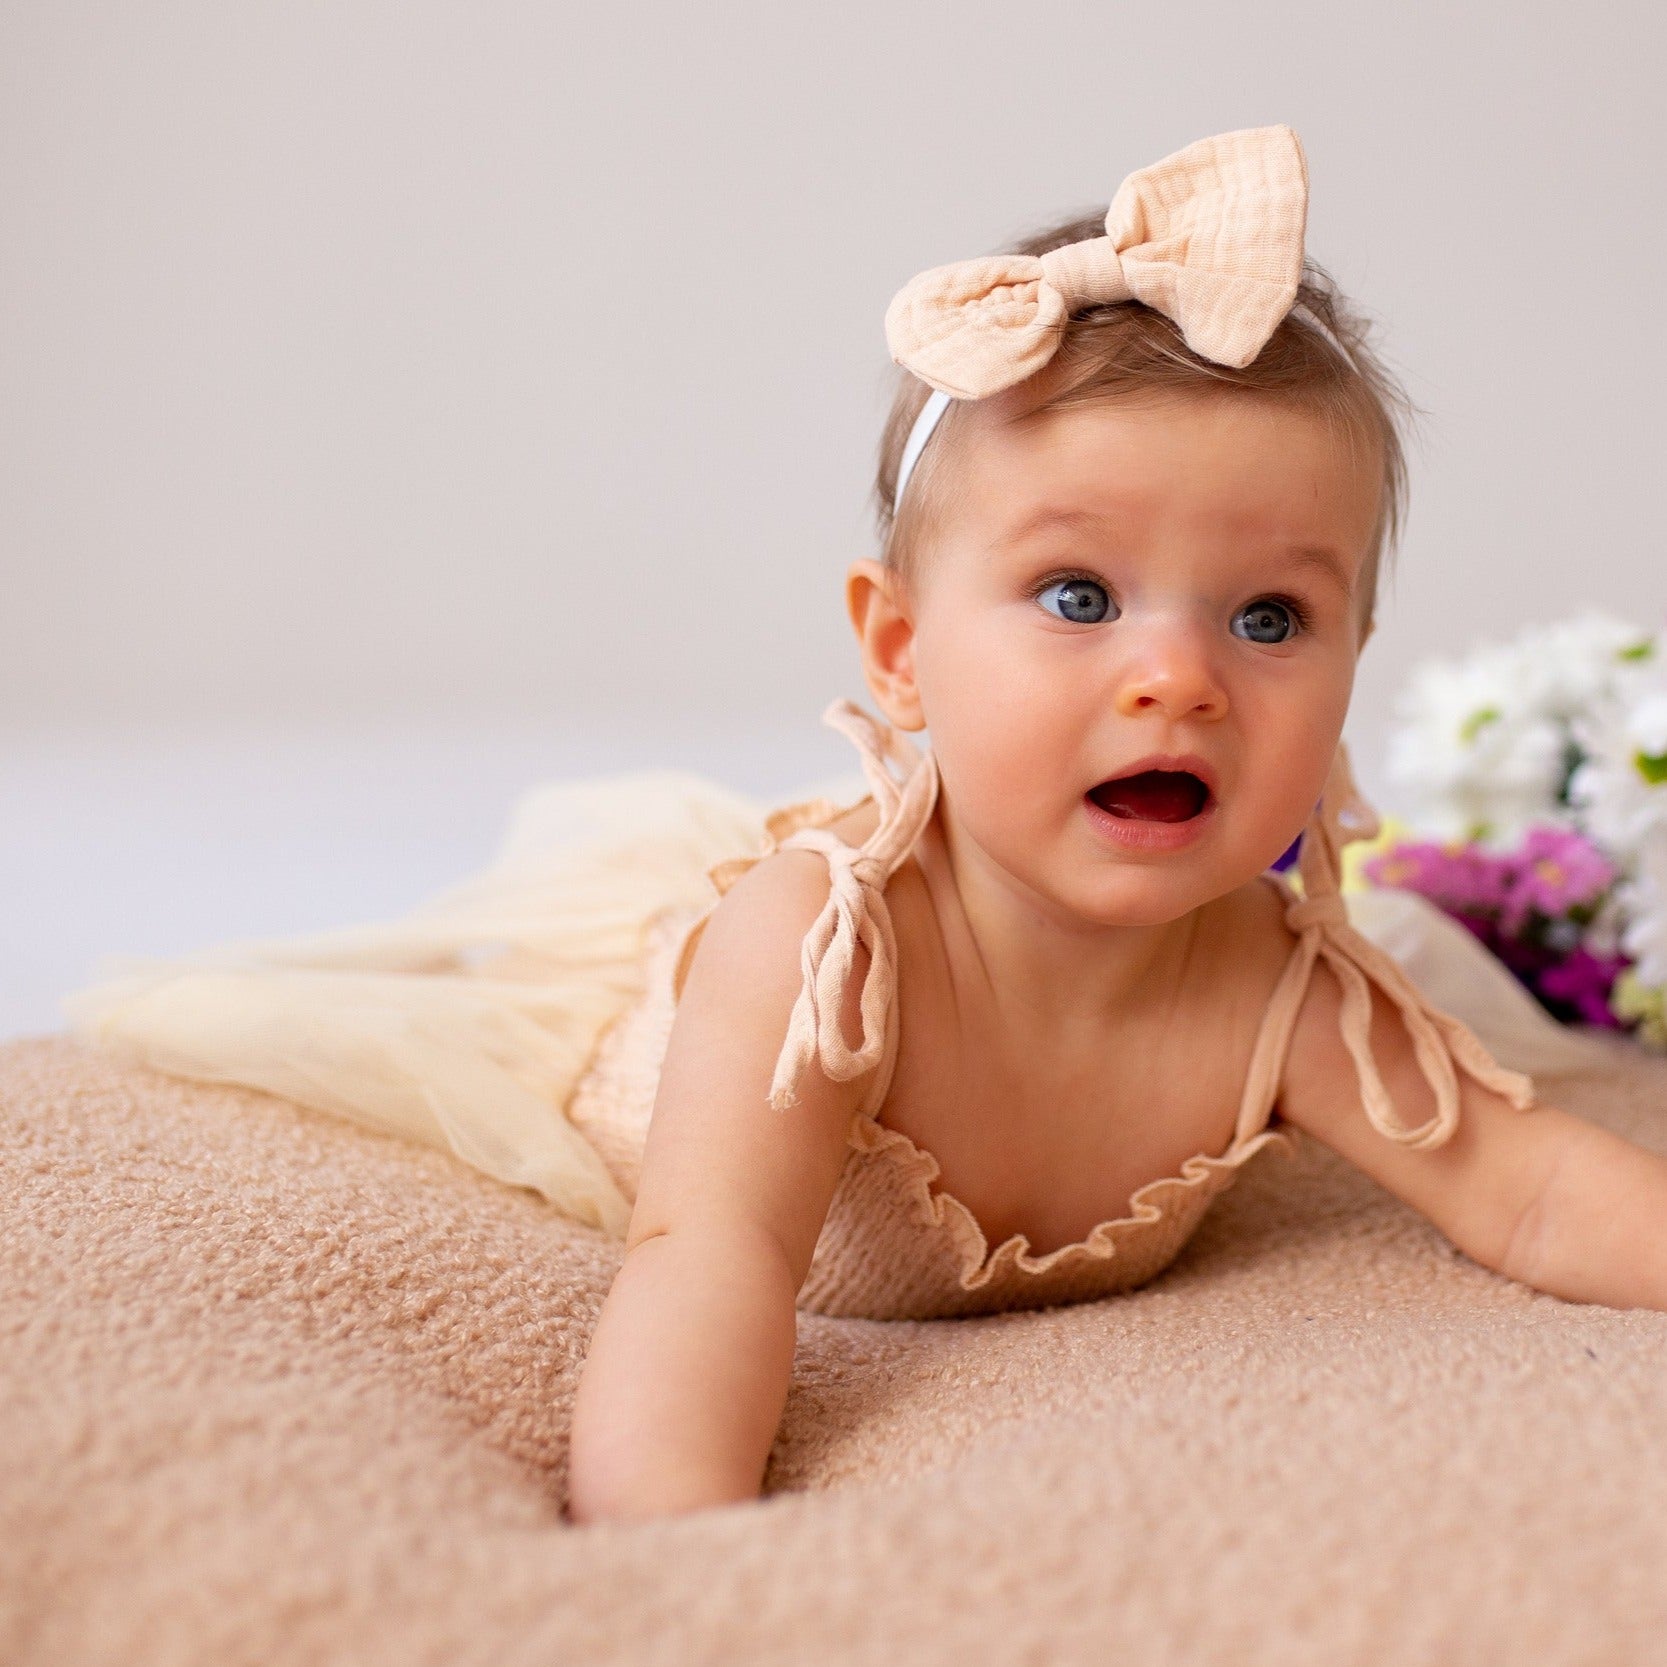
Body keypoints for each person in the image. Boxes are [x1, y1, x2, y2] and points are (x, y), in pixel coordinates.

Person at [63, 126, 1667, 1529]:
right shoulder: (827, 949)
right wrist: (669, 1537)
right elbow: (717, 1253)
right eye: (1079, 596)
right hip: (684, 1081)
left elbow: (1526, 1190)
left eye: (1268, 618)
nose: (1178, 677)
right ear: (900, 649)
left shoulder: (1285, 986)